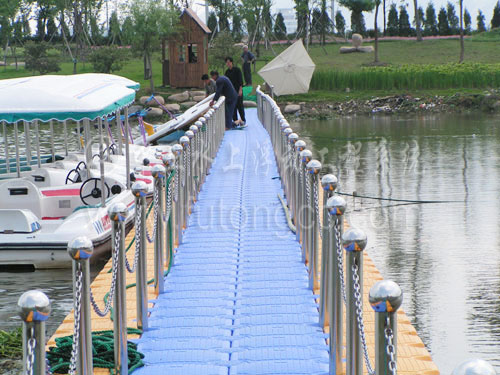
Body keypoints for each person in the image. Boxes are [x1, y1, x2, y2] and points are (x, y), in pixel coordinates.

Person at [224, 56, 246, 125]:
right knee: (233, 107)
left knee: (240, 106)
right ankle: (235, 121)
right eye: (226, 63)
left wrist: (240, 90)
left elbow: (240, 81)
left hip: (238, 90)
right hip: (231, 92)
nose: (228, 64)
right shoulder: (227, 72)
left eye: (229, 62)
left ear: (231, 62)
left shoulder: (237, 70)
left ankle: (243, 120)